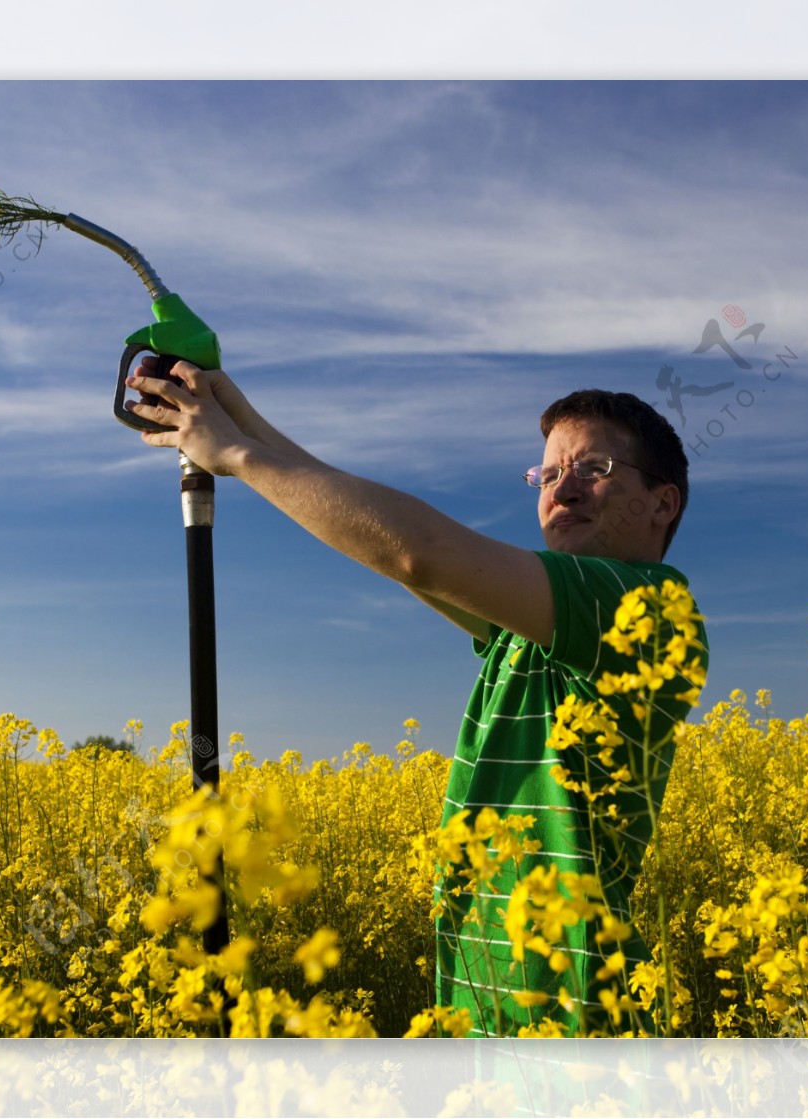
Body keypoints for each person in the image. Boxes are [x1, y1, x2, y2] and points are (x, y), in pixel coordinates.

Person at [125, 359, 706, 1036]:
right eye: (547, 475)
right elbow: (394, 553)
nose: (563, 490)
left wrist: (237, 451)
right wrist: (236, 418)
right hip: (491, 1007)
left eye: (594, 469)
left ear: (662, 503)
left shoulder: (643, 607)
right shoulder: (548, 632)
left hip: (573, 1021)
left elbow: (419, 554)